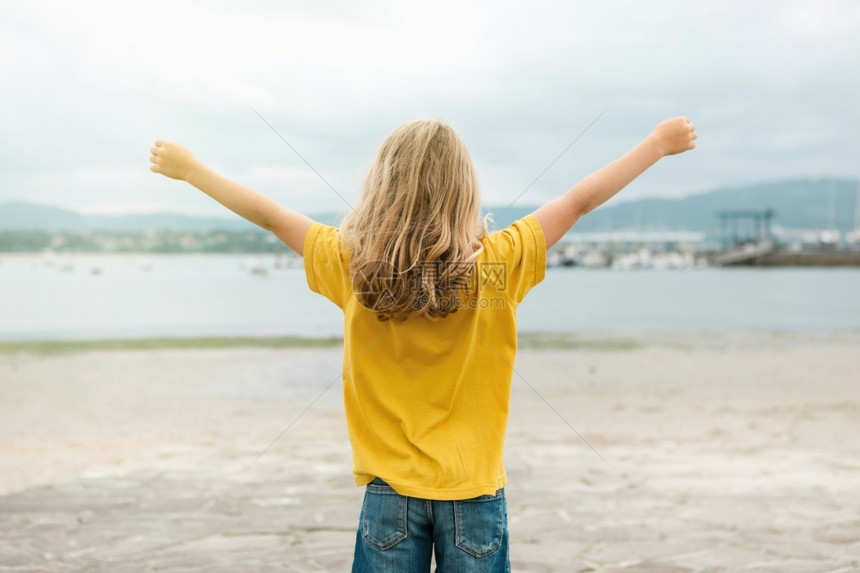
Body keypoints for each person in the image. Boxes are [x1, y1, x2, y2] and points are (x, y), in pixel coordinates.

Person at [149, 116, 696, 572]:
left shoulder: (351, 263)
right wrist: (655, 147)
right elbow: (578, 201)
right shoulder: (500, 262)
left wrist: (191, 170)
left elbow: (267, 215)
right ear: (466, 190)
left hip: (390, 495)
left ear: (381, 186)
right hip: (474, 492)